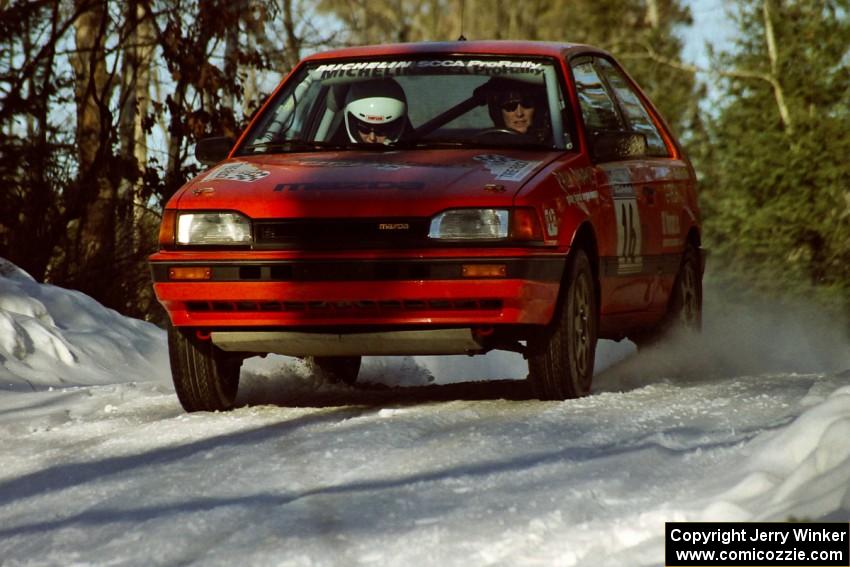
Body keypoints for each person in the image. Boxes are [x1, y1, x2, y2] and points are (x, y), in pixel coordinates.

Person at [343, 78, 408, 144]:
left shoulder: (412, 152)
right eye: (364, 129)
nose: (372, 138)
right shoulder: (337, 150)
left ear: (394, 129)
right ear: (353, 125)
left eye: (381, 130)